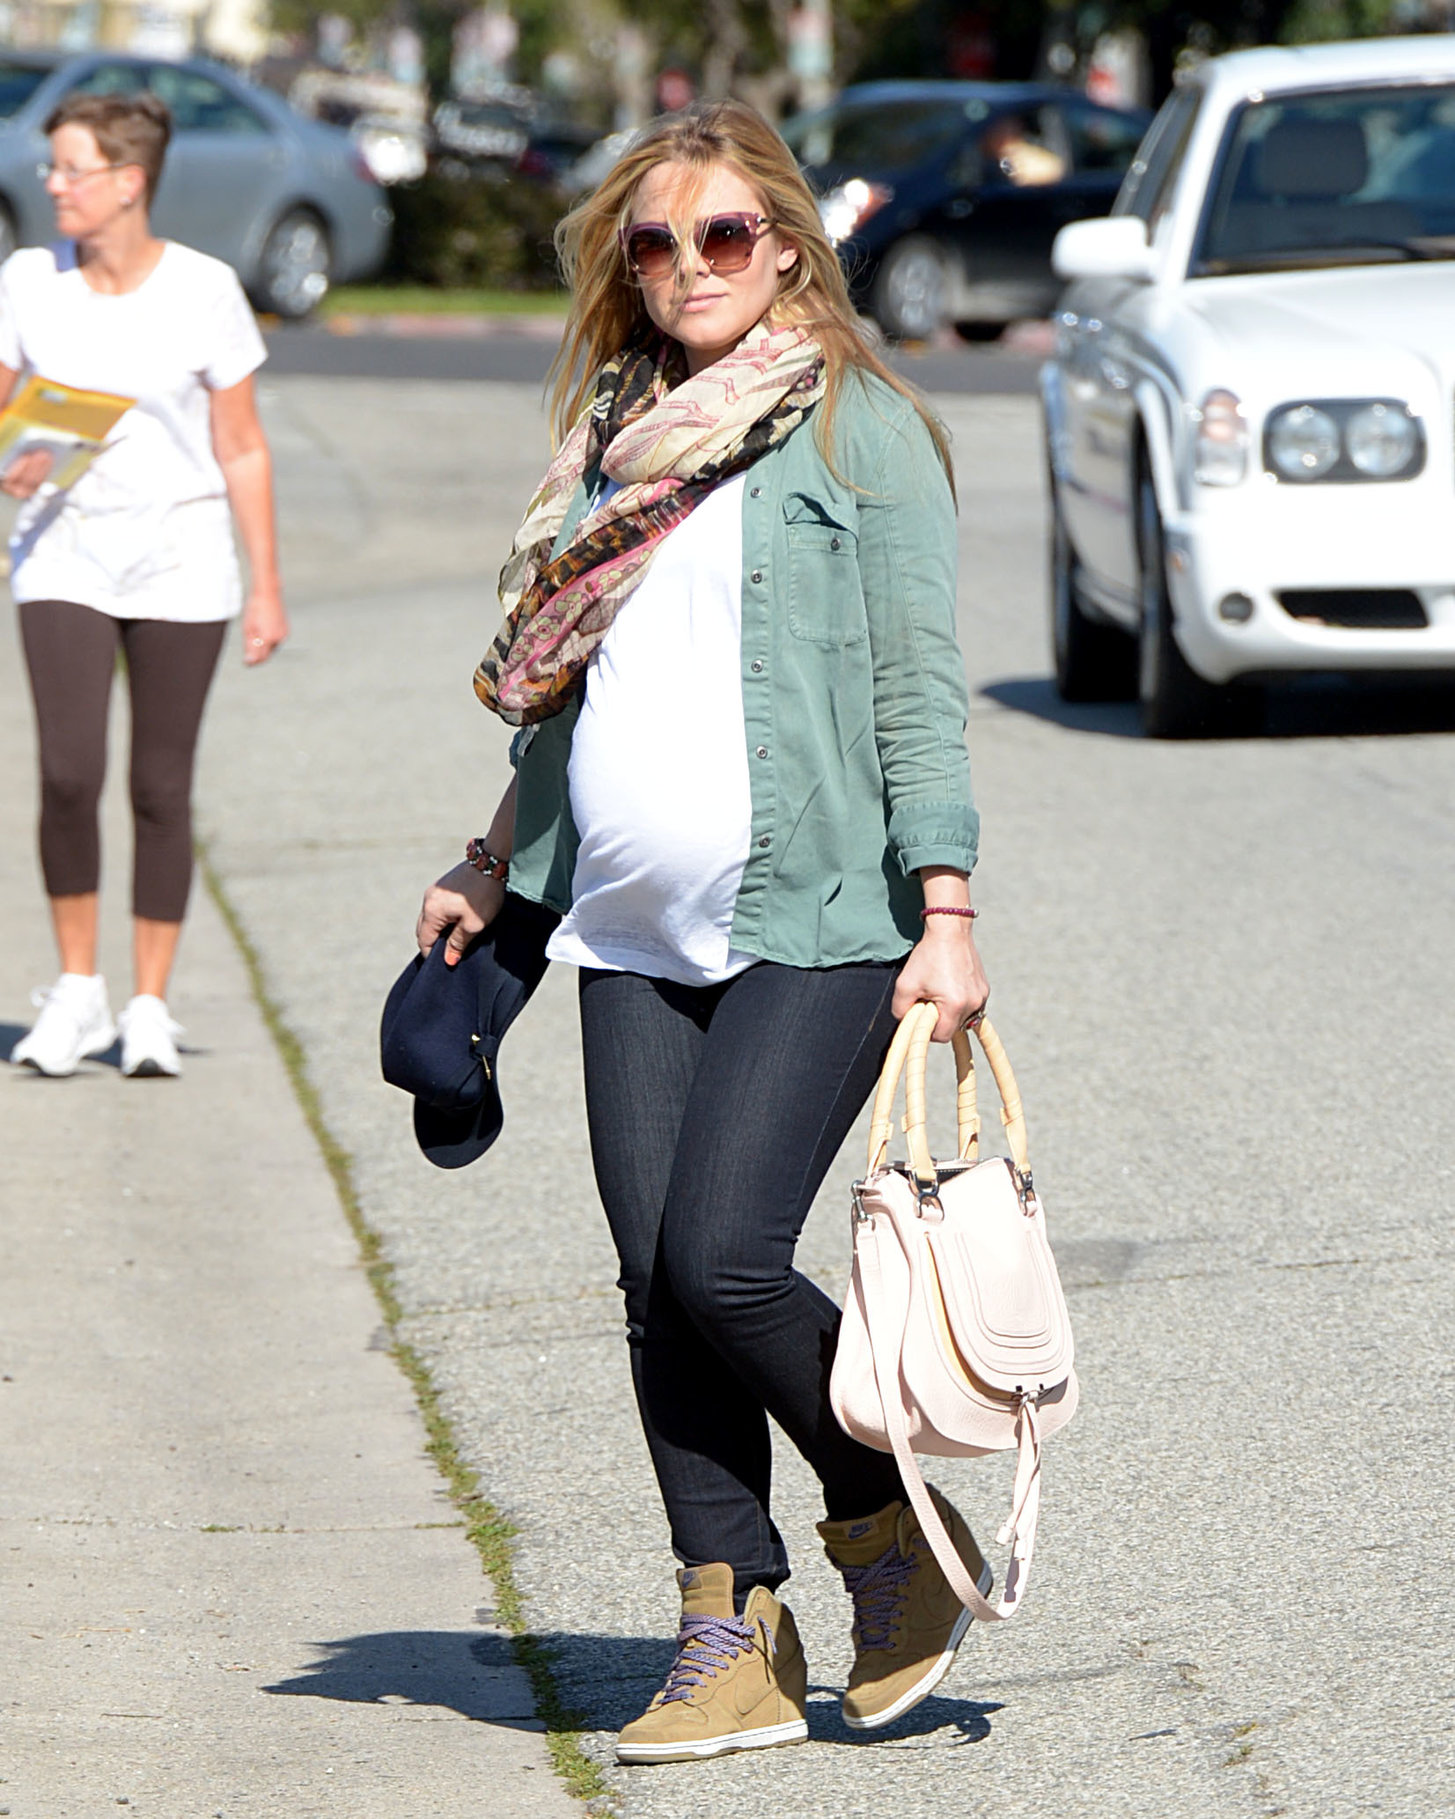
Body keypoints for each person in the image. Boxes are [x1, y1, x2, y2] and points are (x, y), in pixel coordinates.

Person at [417, 100, 989, 1764]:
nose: (688, 265)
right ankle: (726, 1630)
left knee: (724, 1254)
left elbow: (915, 688)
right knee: (655, 1283)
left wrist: (947, 909)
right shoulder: (616, 434)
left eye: (724, 233)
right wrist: (495, 860)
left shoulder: (859, 429)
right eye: (655, 241)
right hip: (625, 923)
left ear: (788, 248)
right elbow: (571, 697)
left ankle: (892, 1532)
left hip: (818, 914)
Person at [2, 91, 285, 1079]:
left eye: (69, 168)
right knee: (67, 774)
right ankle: (77, 990)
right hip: (62, 552)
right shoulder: (28, 280)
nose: (52, 184)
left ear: (128, 182)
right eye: (51, 167)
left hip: (181, 559)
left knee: (161, 787)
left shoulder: (204, 290)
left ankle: (150, 1006)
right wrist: (14, 454)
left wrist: (266, 585)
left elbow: (241, 446)